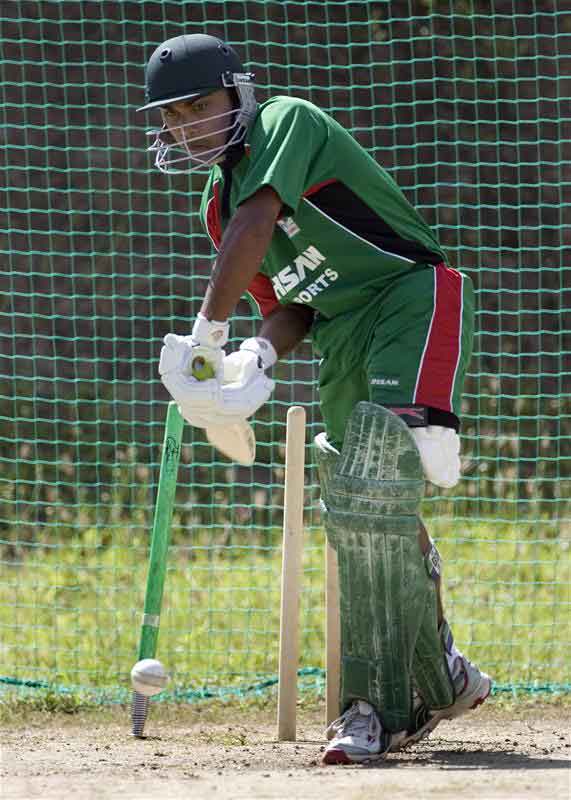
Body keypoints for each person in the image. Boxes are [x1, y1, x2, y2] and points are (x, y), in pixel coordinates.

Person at [138, 33, 492, 765]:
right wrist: (256, 355)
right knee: (356, 507)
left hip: (404, 299)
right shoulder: (216, 205)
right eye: (171, 118)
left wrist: (208, 332)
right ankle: (442, 675)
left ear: (238, 94)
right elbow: (290, 299)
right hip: (339, 337)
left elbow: (259, 220)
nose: (185, 128)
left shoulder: (285, 122)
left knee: (379, 480)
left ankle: (373, 708)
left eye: (199, 106)